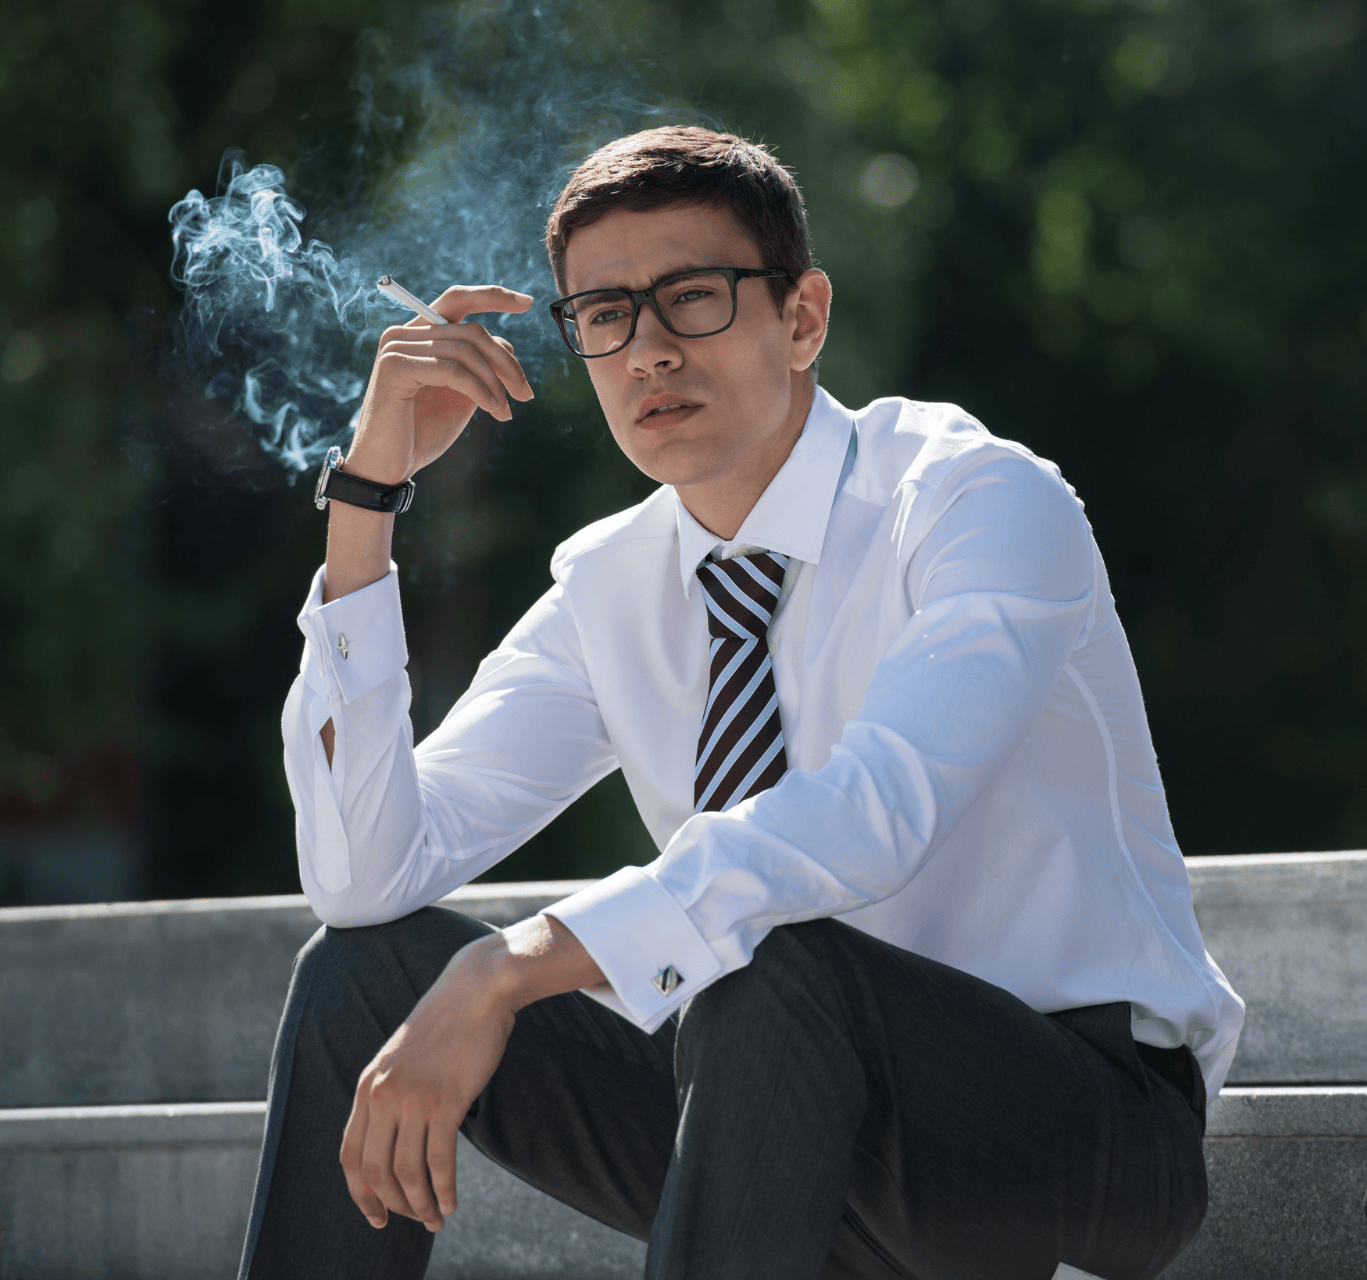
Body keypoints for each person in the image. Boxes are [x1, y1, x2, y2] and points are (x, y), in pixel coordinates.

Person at [239, 125, 1244, 1280]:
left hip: (1074, 1131)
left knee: (769, 965)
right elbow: (365, 875)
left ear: (803, 318)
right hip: (770, 1114)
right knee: (363, 972)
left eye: (693, 297)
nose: (649, 351)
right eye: (606, 316)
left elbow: (873, 812)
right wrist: (367, 496)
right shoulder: (610, 583)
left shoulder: (974, 498)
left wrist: (514, 962)